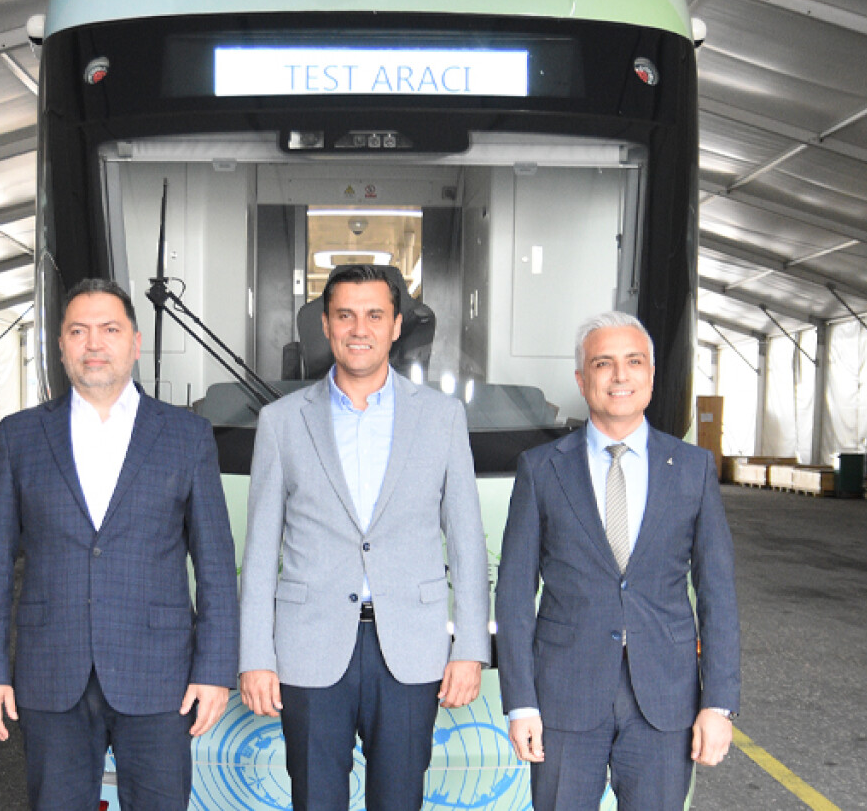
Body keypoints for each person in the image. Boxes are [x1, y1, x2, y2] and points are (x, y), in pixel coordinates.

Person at [0, 278, 239, 810]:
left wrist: (214, 669)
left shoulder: (187, 435)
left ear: (135, 342)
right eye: (78, 331)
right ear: (60, 346)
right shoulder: (21, 436)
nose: (94, 344)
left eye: (109, 330)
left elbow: (215, 563)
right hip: (51, 671)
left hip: (159, 674)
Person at [238, 265, 490, 810]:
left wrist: (470, 647)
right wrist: (255, 654)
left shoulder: (443, 418)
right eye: (345, 315)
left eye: (375, 315)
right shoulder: (281, 421)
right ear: (325, 326)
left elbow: (467, 542)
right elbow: (259, 553)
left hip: (411, 648)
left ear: (396, 326)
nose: (360, 329)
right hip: (308, 648)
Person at [495, 311, 741, 810]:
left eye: (634, 361)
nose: (620, 375)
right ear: (581, 380)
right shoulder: (541, 469)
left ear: (651, 375)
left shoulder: (692, 468)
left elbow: (717, 592)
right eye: (603, 363)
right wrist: (520, 702)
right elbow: (515, 593)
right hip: (565, 697)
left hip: (665, 700)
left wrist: (718, 703)